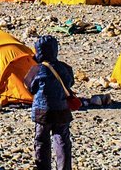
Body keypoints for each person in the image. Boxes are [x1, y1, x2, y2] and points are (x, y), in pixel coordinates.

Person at [24, 35, 74, 170]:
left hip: (42, 111)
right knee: (62, 140)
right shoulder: (64, 68)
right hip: (62, 109)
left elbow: (30, 86)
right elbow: (70, 83)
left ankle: (43, 167)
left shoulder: (36, 69)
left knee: (41, 140)